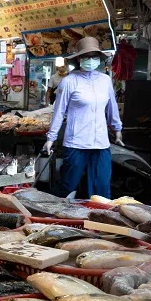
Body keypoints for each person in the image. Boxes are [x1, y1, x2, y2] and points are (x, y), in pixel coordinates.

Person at [44, 36, 123, 199]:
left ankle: (98, 220)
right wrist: (51, 138)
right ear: (79, 58)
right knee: (68, 186)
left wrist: (117, 130)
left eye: (94, 56)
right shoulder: (69, 82)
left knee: (101, 187)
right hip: (76, 142)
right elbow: (58, 112)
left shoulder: (105, 80)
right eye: (86, 56)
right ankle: (57, 219)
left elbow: (112, 108)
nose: (90, 60)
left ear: (99, 59)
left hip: (100, 143)